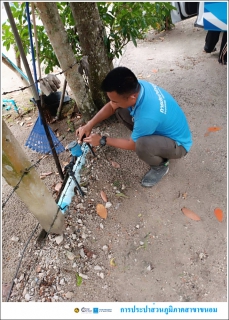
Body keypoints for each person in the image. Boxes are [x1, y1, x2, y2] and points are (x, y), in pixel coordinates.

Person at [76, 67, 192, 187]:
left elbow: (132, 145)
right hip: (161, 128)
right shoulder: (139, 87)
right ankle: (145, 137)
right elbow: (111, 106)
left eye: (115, 100)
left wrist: (102, 140)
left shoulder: (147, 117)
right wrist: (89, 124)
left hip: (179, 145)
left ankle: (160, 166)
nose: (112, 103)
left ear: (132, 97)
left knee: (141, 145)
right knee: (120, 110)